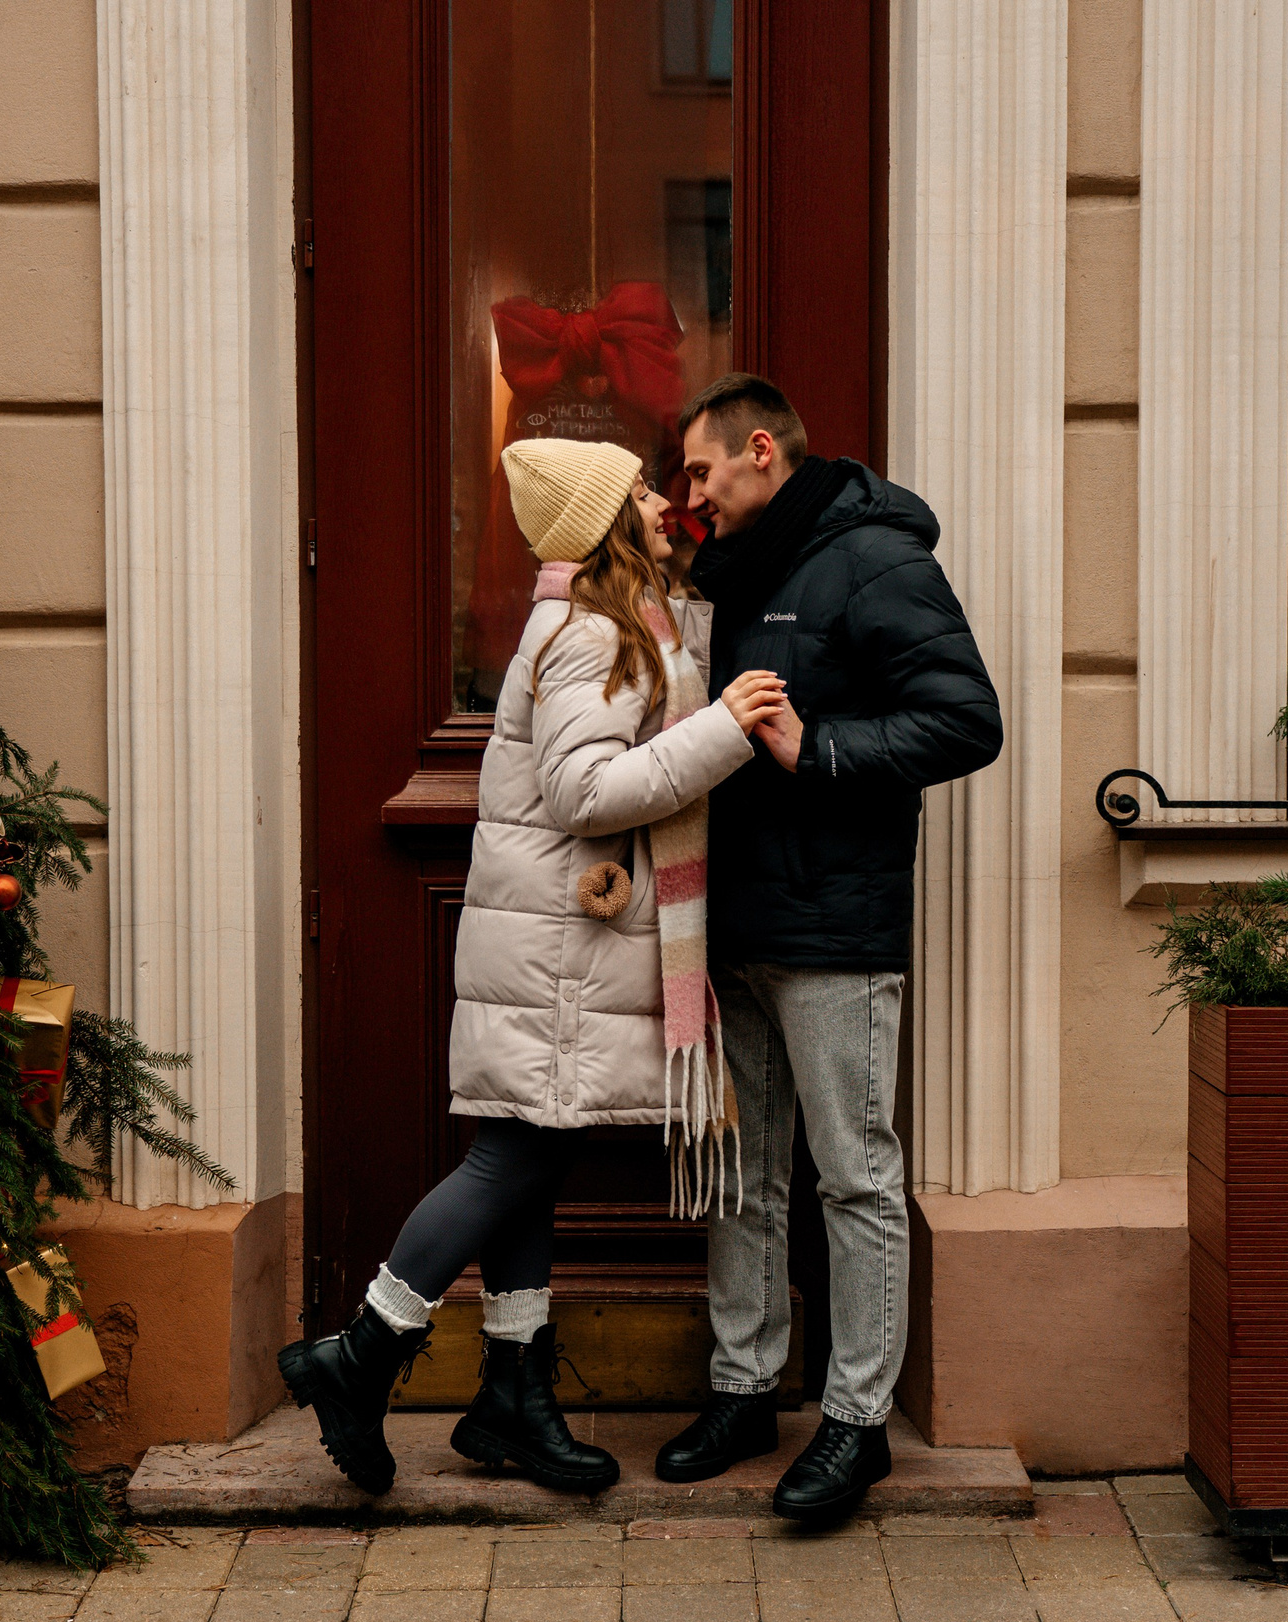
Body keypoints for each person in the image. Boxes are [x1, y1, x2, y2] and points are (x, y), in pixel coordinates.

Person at [276, 437, 790, 1497]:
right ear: (601, 522)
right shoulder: (589, 634)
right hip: (560, 953)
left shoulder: (619, 622)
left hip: (559, 945)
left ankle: (513, 1395)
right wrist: (725, 732)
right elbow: (586, 795)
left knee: (531, 1162)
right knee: (510, 1162)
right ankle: (361, 1351)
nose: (661, 502)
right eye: (641, 491)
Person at [655, 373, 1003, 1521]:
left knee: (852, 1175)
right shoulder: (733, 568)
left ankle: (856, 1423)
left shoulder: (873, 557)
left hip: (833, 927)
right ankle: (745, 1387)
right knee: (744, 1176)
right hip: (735, 919)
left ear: (762, 449)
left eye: (701, 468)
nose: (688, 491)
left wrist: (820, 749)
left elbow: (966, 718)